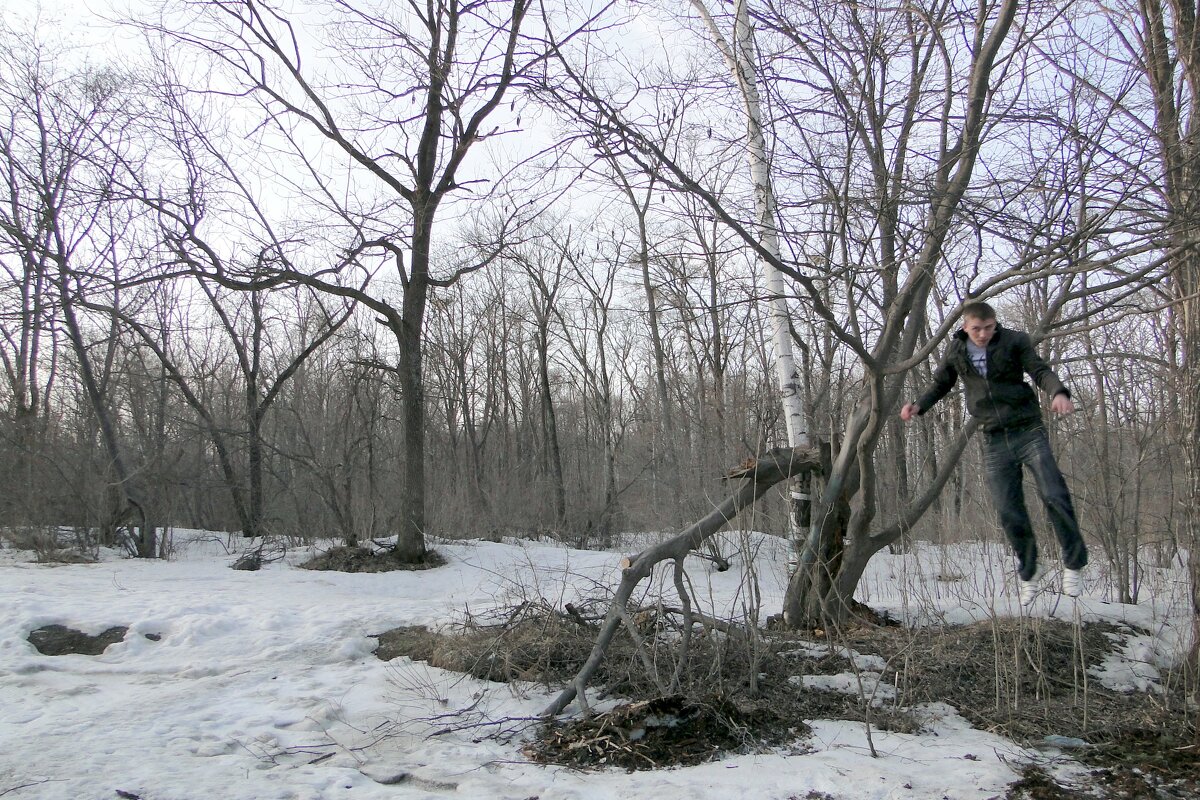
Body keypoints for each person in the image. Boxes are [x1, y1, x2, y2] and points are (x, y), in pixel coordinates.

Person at [900, 301, 1088, 606]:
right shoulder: (957, 352)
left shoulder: (1015, 341)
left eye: (989, 328)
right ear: (965, 327)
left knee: (1054, 492)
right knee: (1008, 508)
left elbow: (1039, 370)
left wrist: (1058, 391)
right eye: (977, 329)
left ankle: (1074, 562)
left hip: (1028, 430)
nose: (984, 334)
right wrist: (919, 406)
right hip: (993, 438)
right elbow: (941, 383)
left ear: (995, 324)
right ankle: (1030, 571)